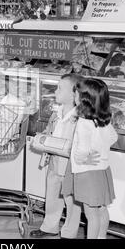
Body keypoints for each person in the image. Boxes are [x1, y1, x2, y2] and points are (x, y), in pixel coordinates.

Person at [30, 74, 93, 239]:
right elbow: (50, 131)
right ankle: (49, 226)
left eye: (59, 88)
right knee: (52, 194)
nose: (55, 91)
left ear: (74, 94)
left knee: (71, 200)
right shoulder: (56, 112)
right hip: (54, 159)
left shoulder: (79, 116)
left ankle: (69, 232)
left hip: (70, 164)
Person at [62, 78, 118, 239]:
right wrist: (100, 149)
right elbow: (113, 137)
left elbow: (82, 151)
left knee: (91, 214)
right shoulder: (103, 119)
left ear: (85, 99)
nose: (74, 96)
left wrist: (82, 159)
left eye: (77, 93)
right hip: (102, 171)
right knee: (101, 210)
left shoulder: (83, 122)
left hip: (86, 173)